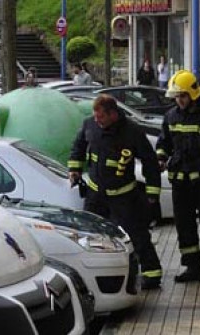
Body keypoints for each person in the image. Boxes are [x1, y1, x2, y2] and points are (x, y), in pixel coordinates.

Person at [68, 94, 164, 289]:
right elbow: (78, 146)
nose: (97, 120)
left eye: (100, 117)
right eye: (95, 116)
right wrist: (75, 169)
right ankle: (95, 275)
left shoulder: (132, 132)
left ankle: (152, 274)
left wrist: (152, 193)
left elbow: (150, 161)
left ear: (113, 114)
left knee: (138, 236)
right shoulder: (90, 125)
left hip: (124, 196)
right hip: (95, 196)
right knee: (90, 235)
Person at [156, 70, 200, 282]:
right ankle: (192, 267)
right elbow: (164, 142)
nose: (179, 100)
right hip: (180, 182)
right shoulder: (171, 116)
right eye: (177, 97)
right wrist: (161, 157)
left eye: (183, 96)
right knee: (184, 226)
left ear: (193, 93)